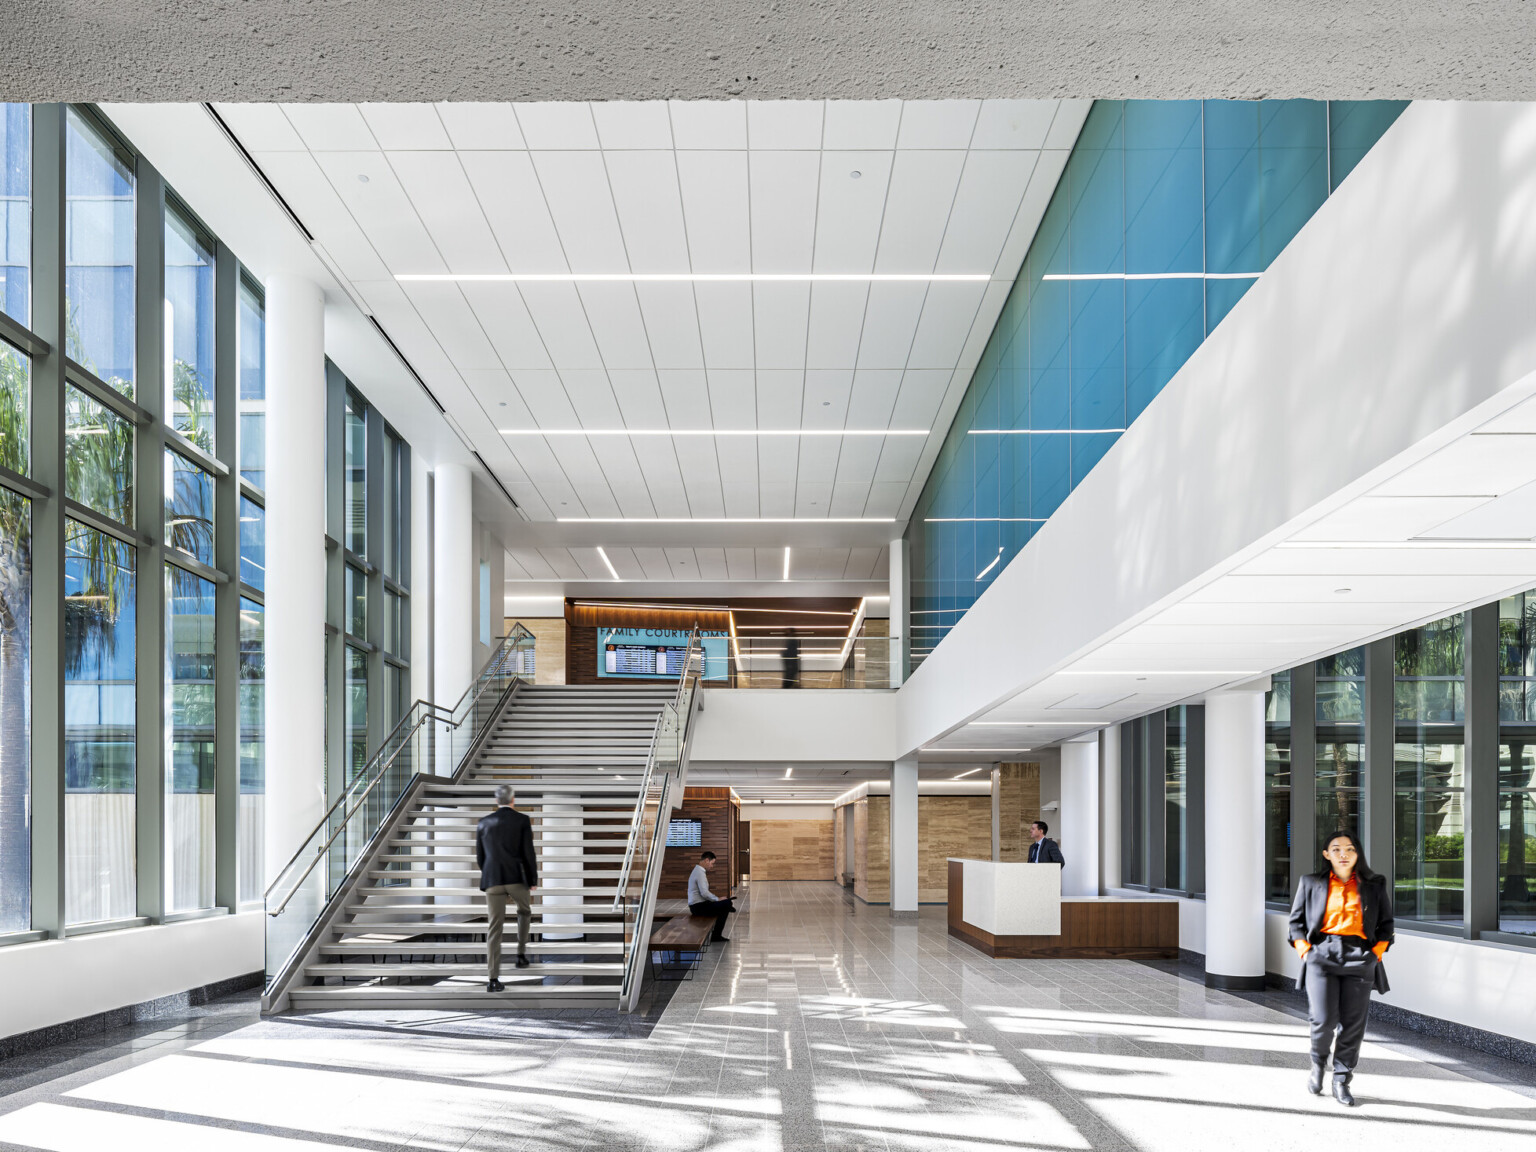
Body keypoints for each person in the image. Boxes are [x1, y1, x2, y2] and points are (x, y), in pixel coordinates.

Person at [1287, 829, 1394, 1107]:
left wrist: (1375, 955)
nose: (1343, 854)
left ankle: (1342, 1078)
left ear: (1357, 853)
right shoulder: (1311, 882)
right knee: (1322, 1020)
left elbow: (1386, 926)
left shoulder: (1374, 884)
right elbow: (1295, 924)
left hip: (1360, 956)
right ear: (1326, 854)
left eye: (1349, 849)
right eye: (1336, 849)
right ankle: (1318, 1064)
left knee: (1353, 1023)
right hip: (1322, 954)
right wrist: (1306, 952)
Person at [476, 783, 538, 992]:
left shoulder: (484, 823)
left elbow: (480, 857)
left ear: (496, 800)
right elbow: (528, 853)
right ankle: (520, 955)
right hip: (515, 879)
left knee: (494, 927)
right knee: (525, 911)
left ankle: (493, 979)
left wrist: (488, 873)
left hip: (492, 879)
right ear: (513, 799)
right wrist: (532, 879)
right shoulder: (522, 820)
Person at [687, 850, 735, 942]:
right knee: (725, 904)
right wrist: (717, 899)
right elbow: (704, 893)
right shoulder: (700, 873)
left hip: (699, 905)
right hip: (698, 907)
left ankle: (728, 906)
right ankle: (716, 936)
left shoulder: (698, 871)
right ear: (707, 860)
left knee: (725, 903)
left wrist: (717, 900)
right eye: (712, 864)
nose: (712, 866)